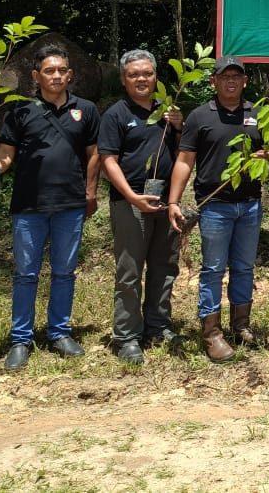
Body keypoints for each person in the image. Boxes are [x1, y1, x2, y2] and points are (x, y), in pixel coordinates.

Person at [0, 44, 100, 372]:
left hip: (70, 204)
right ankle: (21, 339)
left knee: (64, 272)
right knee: (26, 275)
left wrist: (91, 192)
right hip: (28, 206)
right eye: (49, 70)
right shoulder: (20, 112)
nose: (56, 75)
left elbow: (95, 153)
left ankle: (59, 333)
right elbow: (6, 153)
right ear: (35, 75)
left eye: (62, 70)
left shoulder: (86, 110)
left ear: (70, 75)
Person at [165, 55, 264, 362]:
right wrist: (173, 201)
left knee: (245, 267)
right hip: (215, 207)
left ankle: (241, 325)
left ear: (245, 81)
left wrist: (266, 156)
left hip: (249, 205)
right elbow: (184, 161)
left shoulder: (257, 114)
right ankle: (211, 332)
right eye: (224, 76)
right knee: (213, 270)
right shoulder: (199, 116)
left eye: (237, 76)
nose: (231, 81)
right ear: (214, 82)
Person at [98, 49, 184, 364]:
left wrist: (178, 126)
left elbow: (184, 155)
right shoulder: (116, 114)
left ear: (156, 77)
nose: (141, 79)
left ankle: (158, 326)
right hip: (130, 203)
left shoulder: (167, 111)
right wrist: (132, 197)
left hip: (164, 202)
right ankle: (127, 336)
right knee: (130, 272)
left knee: (164, 267)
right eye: (134, 74)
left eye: (147, 73)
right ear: (124, 80)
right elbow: (108, 160)